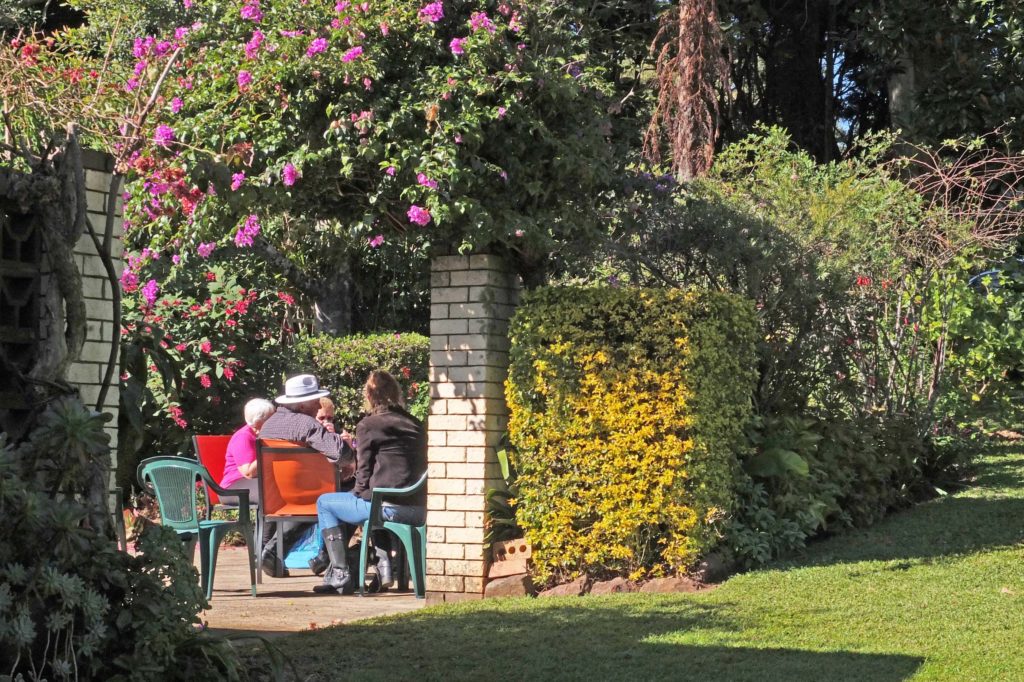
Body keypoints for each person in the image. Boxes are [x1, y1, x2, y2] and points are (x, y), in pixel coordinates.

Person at [312, 370, 427, 595]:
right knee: (368, 502)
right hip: (418, 507)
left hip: (388, 507)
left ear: (369, 396)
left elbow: (363, 475)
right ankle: (383, 566)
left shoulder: (369, 425)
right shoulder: (414, 423)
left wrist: (357, 492)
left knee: (326, 502)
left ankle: (340, 575)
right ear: (396, 393)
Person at [257, 374, 356, 577]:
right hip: (308, 495)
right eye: (315, 400)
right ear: (302, 405)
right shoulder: (306, 424)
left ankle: (277, 551)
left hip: (275, 497)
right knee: (351, 496)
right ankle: (326, 557)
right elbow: (341, 455)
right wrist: (345, 446)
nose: (319, 404)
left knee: (321, 497)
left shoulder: (268, 425)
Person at [219, 398, 276, 503]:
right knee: (272, 491)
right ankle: (270, 520)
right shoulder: (243, 436)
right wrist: (271, 451)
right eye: (271, 418)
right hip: (234, 486)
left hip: (255, 481)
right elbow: (249, 473)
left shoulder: (265, 434)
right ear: (258, 422)